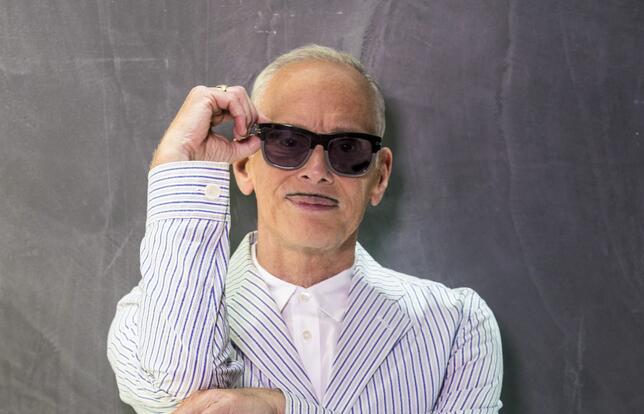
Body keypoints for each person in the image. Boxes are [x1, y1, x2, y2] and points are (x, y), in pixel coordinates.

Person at [107, 44, 503, 414]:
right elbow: (183, 395)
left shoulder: (455, 326)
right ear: (243, 166)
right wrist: (180, 164)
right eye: (287, 141)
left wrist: (284, 407)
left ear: (380, 176)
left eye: (347, 148)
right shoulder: (145, 321)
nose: (316, 171)